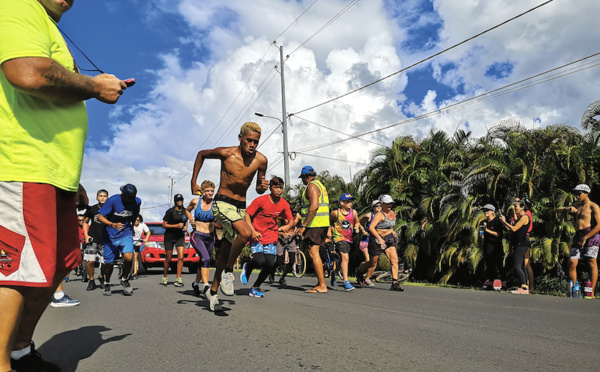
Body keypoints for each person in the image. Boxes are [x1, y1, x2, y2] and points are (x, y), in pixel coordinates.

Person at [0, 0, 128, 369]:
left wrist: (75, 183)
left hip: (59, 177)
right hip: (22, 166)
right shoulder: (16, 6)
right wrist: (93, 85)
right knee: (14, 272)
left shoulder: (46, 25)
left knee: (57, 265)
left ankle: (19, 350)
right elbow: (28, 73)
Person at [190, 122, 268, 311]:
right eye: (249, 140)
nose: (252, 144)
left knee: (224, 253)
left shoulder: (261, 160)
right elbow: (201, 154)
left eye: (256, 141)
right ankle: (228, 272)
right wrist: (194, 182)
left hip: (240, 206)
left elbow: (258, 187)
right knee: (246, 232)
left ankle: (213, 292)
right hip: (223, 202)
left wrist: (262, 187)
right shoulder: (226, 153)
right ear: (240, 138)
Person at [240, 176, 295, 298]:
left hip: (271, 236)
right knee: (259, 261)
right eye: (276, 187)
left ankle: (255, 287)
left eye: (281, 187)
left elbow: (291, 221)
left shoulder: (284, 204)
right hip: (257, 235)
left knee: (270, 264)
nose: (279, 190)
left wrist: (285, 228)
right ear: (270, 188)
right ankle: (248, 265)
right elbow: (247, 215)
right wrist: (253, 231)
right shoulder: (261, 200)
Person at [97, 184, 141, 296]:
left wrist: (131, 227)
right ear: (123, 195)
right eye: (126, 197)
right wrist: (112, 224)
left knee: (129, 257)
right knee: (109, 263)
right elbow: (100, 217)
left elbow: (136, 213)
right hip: (110, 235)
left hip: (125, 234)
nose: (130, 200)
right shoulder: (113, 200)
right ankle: (107, 282)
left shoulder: (137, 201)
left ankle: (125, 279)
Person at [558, 184, 600, 297]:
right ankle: (573, 289)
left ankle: (591, 291)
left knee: (591, 261)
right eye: (575, 193)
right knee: (571, 262)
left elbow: (599, 226)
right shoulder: (577, 206)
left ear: (586, 193)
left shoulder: (593, 206)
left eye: (579, 193)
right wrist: (568, 208)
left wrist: (586, 237)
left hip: (591, 235)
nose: (576, 196)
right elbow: (557, 210)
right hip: (578, 235)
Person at [356, 195, 404, 291]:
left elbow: (390, 226)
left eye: (390, 203)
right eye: (387, 204)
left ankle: (395, 283)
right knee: (372, 262)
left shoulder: (392, 213)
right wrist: (379, 238)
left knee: (394, 260)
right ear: (382, 204)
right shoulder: (379, 215)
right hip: (377, 239)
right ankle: (360, 271)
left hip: (389, 239)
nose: (389, 205)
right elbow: (371, 228)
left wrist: (392, 231)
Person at [296, 166, 330, 293]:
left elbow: (314, 207)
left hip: (314, 224)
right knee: (316, 252)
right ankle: (320, 282)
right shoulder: (320, 185)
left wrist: (303, 225)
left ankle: (322, 285)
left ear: (305, 176)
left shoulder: (311, 186)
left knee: (312, 252)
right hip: (322, 223)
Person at [185, 180, 218, 298]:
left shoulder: (216, 204)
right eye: (208, 191)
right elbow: (187, 210)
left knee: (203, 261)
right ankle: (206, 286)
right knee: (206, 258)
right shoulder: (195, 202)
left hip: (210, 236)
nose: (210, 193)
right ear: (202, 192)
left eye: (212, 191)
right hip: (197, 235)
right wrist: (191, 220)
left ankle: (195, 284)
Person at [330, 193, 360, 291]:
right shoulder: (335, 213)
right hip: (339, 238)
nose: (350, 203)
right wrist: (329, 233)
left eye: (351, 201)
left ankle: (335, 273)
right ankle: (346, 282)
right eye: (348, 202)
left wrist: (356, 227)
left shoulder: (354, 212)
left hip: (349, 238)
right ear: (341, 203)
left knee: (342, 259)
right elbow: (329, 223)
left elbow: (357, 221)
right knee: (345, 257)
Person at [500, 200, 531, 294]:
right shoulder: (520, 217)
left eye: (516, 206)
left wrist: (504, 221)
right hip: (520, 243)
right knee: (521, 266)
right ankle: (524, 286)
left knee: (516, 266)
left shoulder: (524, 217)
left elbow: (514, 228)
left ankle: (524, 287)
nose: (514, 208)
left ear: (522, 207)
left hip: (522, 244)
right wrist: (504, 223)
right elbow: (513, 229)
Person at [83, 189, 109, 291]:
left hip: (105, 240)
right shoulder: (92, 209)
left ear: (107, 198)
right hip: (93, 238)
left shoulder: (110, 209)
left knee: (105, 263)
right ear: (97, 197)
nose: (102, 197)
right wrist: (86, 236)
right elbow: (85, 222)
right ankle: (91, 280)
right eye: (100, 196)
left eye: (105, 196)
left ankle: (101, 277)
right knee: (90, 262)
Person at [162, 194, 188, 287]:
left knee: (181, 257)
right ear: (175, 201)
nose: (180, 202)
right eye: (178, 200)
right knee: (168, 258)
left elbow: (186, 222)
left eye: (181, 200)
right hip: (169, 236)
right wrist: (175, 226)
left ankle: (178, 278)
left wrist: (185, 227)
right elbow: (164, 225)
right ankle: (165, 276)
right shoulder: (170, 211)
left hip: (180, 236)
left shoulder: (185, 211)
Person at [510, 197, 535, 293]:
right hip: (519, 239)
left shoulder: (526, 214)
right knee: (524, 265)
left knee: (524, 265)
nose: (514, 206)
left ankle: (527, 286)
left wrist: (504, 222)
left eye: (516, 204)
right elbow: (517, 222)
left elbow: (516, 227)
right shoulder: (519, 215)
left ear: (522, 206)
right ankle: (526, 287)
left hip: (524, 238)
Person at [275, 204, 302, 286]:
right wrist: (281, 233)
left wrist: (297, 232)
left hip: (291, 239)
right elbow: (273, 226)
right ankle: (271, 271)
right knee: (279, 261)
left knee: (292, 260)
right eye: (292, 212)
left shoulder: (298, 217)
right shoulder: (282, 216)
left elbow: (300, 226)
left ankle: (282, 278)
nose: (293, 214)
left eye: (295, 212)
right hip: (282, 238)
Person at [480, 204, 505, 290]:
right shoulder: (485, 222)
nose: (486, 212)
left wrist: (487, 230)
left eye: (488, 210)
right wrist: (482, 234)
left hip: (496, 247)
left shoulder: (497, 221)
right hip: (487, 247)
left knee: (499, 266)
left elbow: (498, 234)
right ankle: (490, 284)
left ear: (492, 211)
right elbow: (482, 233)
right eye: (485, 210)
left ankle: (504, 284)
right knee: (489, 266)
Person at [357, 201, 381, 286]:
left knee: (374, 262)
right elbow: (359, 222)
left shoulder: (382, 216)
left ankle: (367, 278)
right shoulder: (369, 215)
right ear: (373, 207)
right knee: (368, 261)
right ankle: (360, 271)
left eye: (380, 206)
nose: (379, 207)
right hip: (366, 241)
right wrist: (363, 230)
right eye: (376, 206)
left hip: (375, 242)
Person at [132, 215, 150, 279]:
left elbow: (148, 232)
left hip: (137, 242)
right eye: (135, 220)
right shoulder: (130, 224)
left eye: (137, 220)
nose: (136, 221)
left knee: (135, 258)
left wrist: (146, 239)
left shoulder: (142, 225)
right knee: (128, 257)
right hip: (130, 242)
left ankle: (135, 273)